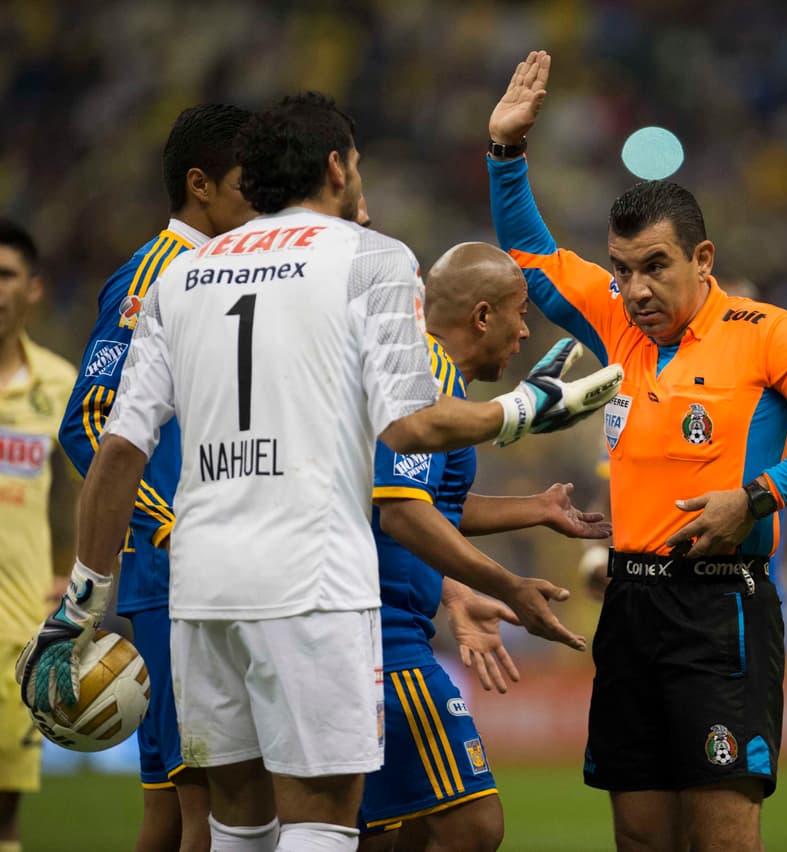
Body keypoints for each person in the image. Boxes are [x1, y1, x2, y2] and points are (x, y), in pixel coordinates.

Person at [17, 92, 621, 852]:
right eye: (359, 163)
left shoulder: (181, 275)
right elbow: (412, 425)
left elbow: (114, 451)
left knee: (237, 824)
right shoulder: (370, 258)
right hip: (311, 581)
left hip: (202, 588)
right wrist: (532, 407)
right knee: (325, 820)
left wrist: (82, 602)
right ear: (336, 166)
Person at [487, 52, 787, 851]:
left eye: (655, 267)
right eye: (623, 269)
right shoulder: (618, 325)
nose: (634, 290)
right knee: (638, 837)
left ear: (703, 261)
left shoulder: (768, 333)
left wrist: (758, 495)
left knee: (722, 838)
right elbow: (531, 260)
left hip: (721, 608)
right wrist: (505, 156)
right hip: (631, 606)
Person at [358, 242, 614, 852]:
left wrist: (537, 510)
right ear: (481, 316)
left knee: (386, 832)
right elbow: (401, 512)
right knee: (472, 824)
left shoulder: (434, 378)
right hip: (380, 635)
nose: (526, 332)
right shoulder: (422, 374)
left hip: (378, 627)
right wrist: (507, 586)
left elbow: (429, 503)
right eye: (519, 314)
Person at [58, 102, 255, 852]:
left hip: (214, 568)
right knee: (210, 802)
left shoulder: (233, 272)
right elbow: (90, 419)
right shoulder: (153, 277)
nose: (260, 199)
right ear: (200, 185)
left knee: (173, 809)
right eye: (247, 183)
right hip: (178, 575)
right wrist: (166, 519)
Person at [580, 275, 787, 692]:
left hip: (740, 611)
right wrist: (597, 557)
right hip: (646, 607)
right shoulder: (645, 396)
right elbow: (614, 488)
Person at [0, 220, 77, 852]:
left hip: (16, 631)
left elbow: (85, 492)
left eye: (5, 275)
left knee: (4, 814)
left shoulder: (60, 385)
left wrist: (75, 573)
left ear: (34, 289)